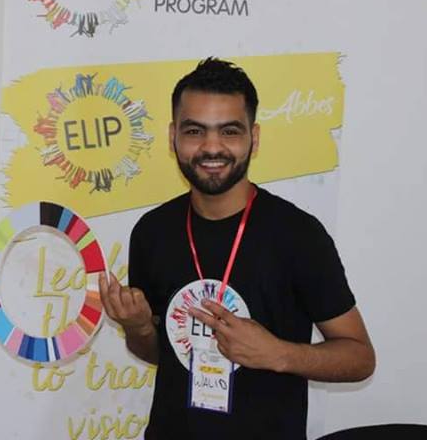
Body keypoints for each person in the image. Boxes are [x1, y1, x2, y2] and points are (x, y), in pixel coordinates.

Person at [99, 58, 374, 439]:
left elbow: (360, 357)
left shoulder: (298, 235)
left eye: (229, 131)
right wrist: (139, 327)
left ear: (254, 138)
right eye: (194, 131)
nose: (212, 147)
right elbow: (163, 353)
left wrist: (278, 353)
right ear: (173, 137)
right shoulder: (152, 232)